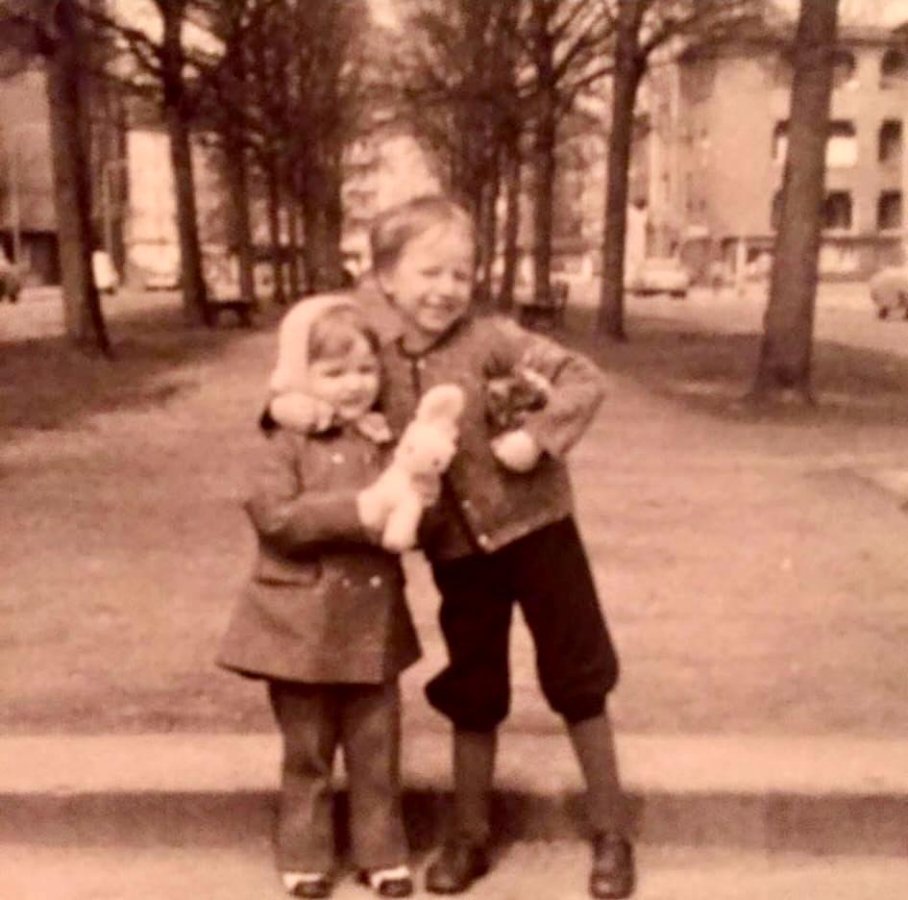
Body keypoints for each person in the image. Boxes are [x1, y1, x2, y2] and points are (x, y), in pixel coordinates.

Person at [267, 196, 636, 899]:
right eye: (428, 273)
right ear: (385, 278)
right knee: (474, 685)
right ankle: (469, 834)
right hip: (459, 555)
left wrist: (538, 437)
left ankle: (611, 830)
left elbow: (583, 379)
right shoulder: (374, 359)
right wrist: (291, 407)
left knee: (578, 672)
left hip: (542, 533)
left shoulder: (493, 339)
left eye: (460, 274)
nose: (445, 289)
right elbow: (312, 371)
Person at [218, 295, 422, 899]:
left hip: (371, 621)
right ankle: (305, 855)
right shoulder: (284, 441)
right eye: (334, 373)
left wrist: (421, 498)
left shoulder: (384, 438)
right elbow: (275, 516)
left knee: (376, 746)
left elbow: (412, 513)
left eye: (366, 369)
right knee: (307, 749)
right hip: (300, 624)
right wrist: (360, 510)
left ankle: (381, 853)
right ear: (299, 375)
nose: (354, 385)